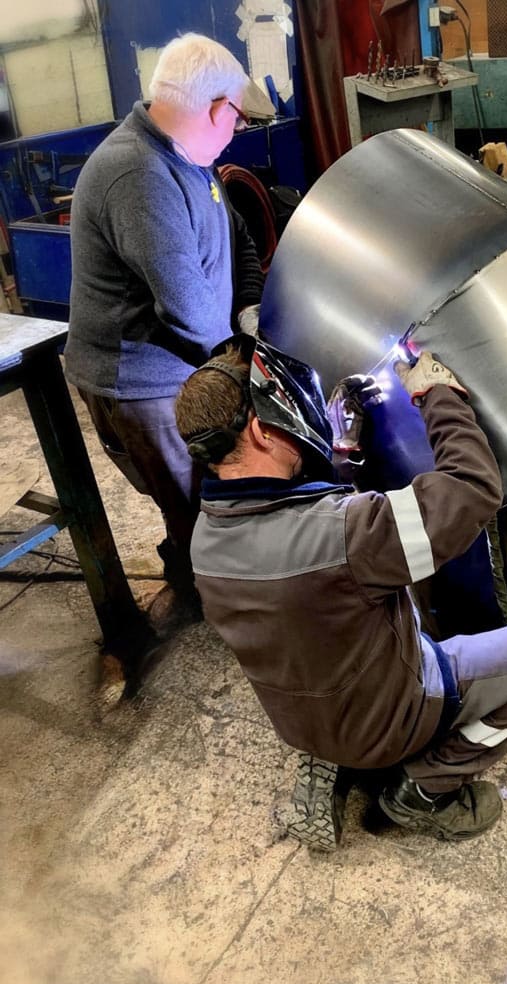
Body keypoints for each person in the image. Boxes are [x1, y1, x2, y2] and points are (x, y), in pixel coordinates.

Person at [174, 333, 507, 847]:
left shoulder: (203, 542)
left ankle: (333, 755)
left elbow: (305, 527)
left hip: (302, 722)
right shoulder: (351, 536)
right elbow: (472, 491)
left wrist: (345, 449)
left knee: (347, 609)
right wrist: (438, 396)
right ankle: (426, 787)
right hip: (395, 722)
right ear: (260, 430)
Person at [64, 33, 265, 632]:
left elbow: (236, 234)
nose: (237, 129)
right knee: (193, 502)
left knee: (207, 489)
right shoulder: (139, 174)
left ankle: (207, 577)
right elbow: (187, 309)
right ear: (215, 108)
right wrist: (242, 360)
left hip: (188, 362)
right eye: (238, 116)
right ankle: (205, 597)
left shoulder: (190, 159)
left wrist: (250, 305)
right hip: (141, 382)